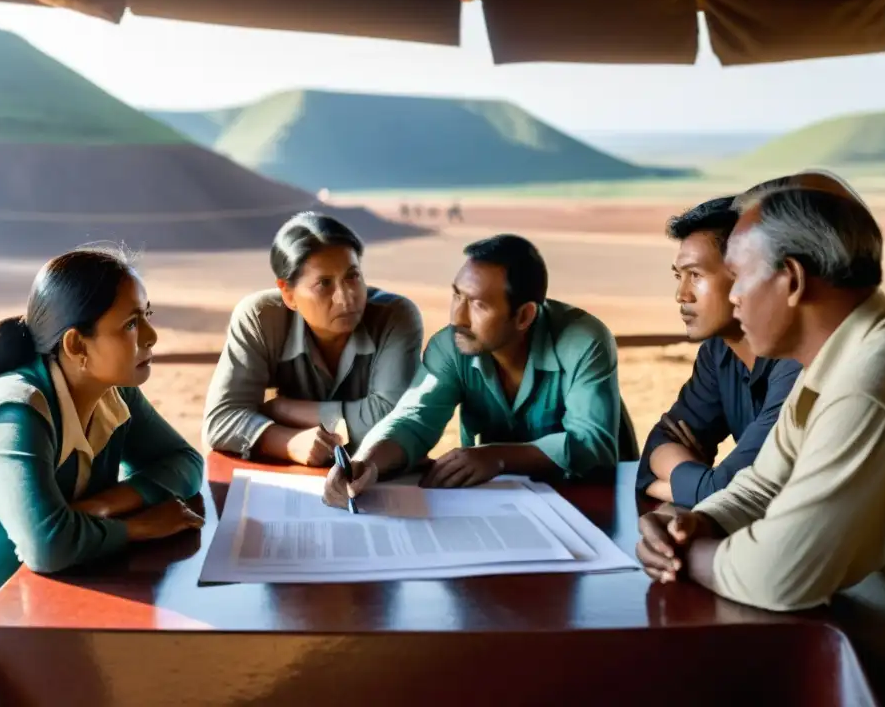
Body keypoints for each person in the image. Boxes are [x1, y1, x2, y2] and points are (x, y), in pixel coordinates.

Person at [635, 173, 885, 707]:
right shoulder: (839, 361)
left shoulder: (871, 385)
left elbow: (779, 575)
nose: (732, 297)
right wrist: (693, 522)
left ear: (792, 279)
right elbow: (760, 487)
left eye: (737, 276)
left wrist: (679, 556)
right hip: (870, 656)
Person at [0, 247, 205, 703]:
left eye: (147, 316)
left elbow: (185, 463)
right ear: (77, 345)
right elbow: (47, 545)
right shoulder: (14, 412)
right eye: (132, 324)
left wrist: (100, 506)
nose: (152, 336)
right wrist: (135, 527)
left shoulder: (111, 391)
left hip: (26, 608)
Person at [323, 233, 625, 505]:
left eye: (478, 305)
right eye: (457, 296)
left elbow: (593, 445)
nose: (458, 318)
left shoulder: (584, 341)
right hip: (502, 504)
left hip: (591, 501)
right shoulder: (451, 346)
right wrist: (365, 463)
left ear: (524, 316)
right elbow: (413, 420)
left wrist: (498, 456)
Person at [202, 212, 423, 465]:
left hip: (377, 476)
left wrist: (282, 409)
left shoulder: (395, 316)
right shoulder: (261, 317)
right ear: (288, 294)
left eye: (353, 276)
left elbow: (397, 422)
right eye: (324, 284)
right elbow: (221, 421)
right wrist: (288, 442)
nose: (346, 297)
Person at [636, 196, 802, 507]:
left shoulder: (798, 364)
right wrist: (702, 483)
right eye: (678, 276)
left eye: (695, 276)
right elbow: (657, 448)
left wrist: (676, 485)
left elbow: (733, 493)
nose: (681, 294)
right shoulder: (718, 352)